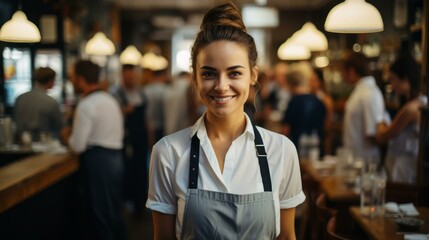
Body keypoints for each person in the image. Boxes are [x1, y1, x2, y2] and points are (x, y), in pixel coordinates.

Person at [146, 2, 306, 239]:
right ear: (195, 78)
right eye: (209, 73)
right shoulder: (168, 153)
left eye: (234, 73)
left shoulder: (282, 151)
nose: (221, 86)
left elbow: (287, 236)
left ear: (253, 75)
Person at [61, 60, 127, 240]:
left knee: (100, 217)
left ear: (81, 80)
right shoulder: (110, 99)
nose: (71, 81)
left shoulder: (87, 104)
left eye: (73, 77)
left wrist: (67, 136)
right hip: (115, 159)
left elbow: (77, 145)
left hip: (99, 162)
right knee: (113, 214)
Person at [376, 54, 427, 184]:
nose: (392, 85)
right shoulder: (420, 102)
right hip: (406, 171)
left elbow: (383, 136)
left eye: (393, 80)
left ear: (405, 79)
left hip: (404, 175)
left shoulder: (411, 109)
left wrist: (381, 121)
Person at [112, 64, 150, 219]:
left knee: (142, 170)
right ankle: (130, 203)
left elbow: (146, 117)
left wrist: (150, 137)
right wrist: (124, 111)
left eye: (133, 75)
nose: (131, 78)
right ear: (122, 75)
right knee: (129, 171)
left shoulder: (140, 91)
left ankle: (141, 203)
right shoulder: (116, 93)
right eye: (128, 75)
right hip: (127, 138)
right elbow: (112, 118)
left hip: (141, 137)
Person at [341, 51, 386, 162]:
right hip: (356, 159)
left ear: (351, 71)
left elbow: (373, 133)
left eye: (343, 72)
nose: (343, 76)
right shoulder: (362, 90)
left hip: (365, 161)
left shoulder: (369, 93)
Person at [281, 62, 326, 158]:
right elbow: (325, 127)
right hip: (317, 147)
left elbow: (286, 130)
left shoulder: (294, 101)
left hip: (298, 149)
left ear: (290, 83)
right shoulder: (318, 101)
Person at [14, 67, 64, 141]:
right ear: (50, 81)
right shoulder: (51, 102)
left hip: (20, 143)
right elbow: (60, 125)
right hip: (44, 145)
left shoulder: (19, 98)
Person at [309, 67, 335, 155]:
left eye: (313, 80)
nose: (311, 84)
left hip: (321, 135)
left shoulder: (325, 99)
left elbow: (328, 124)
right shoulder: (307, 97)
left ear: (320, 81)